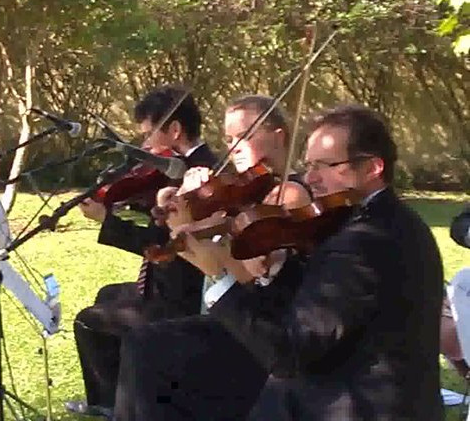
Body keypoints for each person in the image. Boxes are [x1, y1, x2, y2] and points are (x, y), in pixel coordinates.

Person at [178, 105, 443, 420]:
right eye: (309, 165)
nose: (310, 178)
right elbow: (327, 310)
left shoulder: (362, 241)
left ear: (373, 168)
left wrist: (218, 276)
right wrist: (278, 268)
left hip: (357, 406)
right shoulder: (397, 220)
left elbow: (288, 354)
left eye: (325, 165)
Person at [113, 94, 311, 421]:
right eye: (230, 139)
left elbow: (250, 274)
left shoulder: (290, 195)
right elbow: (213, 260)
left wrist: (193, 228)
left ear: (280, 137)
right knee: (141, 343)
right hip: (235, 322)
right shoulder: (242, 193)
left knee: (149, 349)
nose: (234, 148)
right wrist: (182, 218)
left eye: (245, 136)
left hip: (265, 336)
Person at [65, 84, 217, 418]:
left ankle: (112, 405)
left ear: (175, 130)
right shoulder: (176, 169)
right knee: (107, 294)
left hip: (181, 297)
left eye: (148, 136)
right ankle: (125, 392)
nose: (144, 147)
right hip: (168, 282)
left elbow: (161, 247)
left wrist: (107, 220)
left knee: (87, 321)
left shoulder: (199, 177)